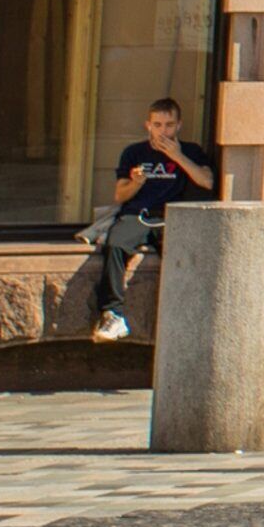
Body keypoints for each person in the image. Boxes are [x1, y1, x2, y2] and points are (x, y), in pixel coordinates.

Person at [74, 98, 215, 343]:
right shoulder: (134, 153)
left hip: (173, 217)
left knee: (184, 256)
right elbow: (120, 195)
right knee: (116, 245)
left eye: (169, 125)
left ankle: (188, 319)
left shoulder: (191, 151)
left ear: (179, 125)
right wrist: (136, 183)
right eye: (157, 125)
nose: (163, 131)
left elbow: (207, 181)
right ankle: (112, 314)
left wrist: (177, 156)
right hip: (138, 214)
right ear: (148, 125)